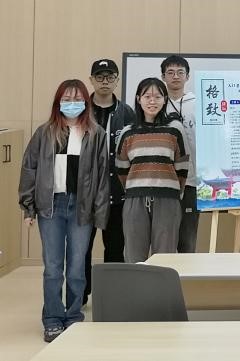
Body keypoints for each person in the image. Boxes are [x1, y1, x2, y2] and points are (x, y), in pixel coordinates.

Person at [18, 80, 109, 343]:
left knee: (77, 267)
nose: (72, 103)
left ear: (86, 102)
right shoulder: (45, 132)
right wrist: (28, 207)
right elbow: (29, 168)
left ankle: (74, 316)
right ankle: (52, 318)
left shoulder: (96, 133)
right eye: (67, 99)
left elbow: (102, 175)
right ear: (58, 102)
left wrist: (100, 212)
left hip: (82, 206)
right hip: (51, 206)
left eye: (77, 98)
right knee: (53, 267)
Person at [116, 78, 188, 263]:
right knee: (134, 256)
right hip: (135, 200)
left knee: (165, 258)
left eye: (157, 97)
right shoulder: (128, 132)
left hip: (168, 199)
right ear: (138, 99)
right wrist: (138, 186)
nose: (152, 101)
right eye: (147, 96)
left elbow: (182, 167)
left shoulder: (175, 129)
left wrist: (169, 190)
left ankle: (163, 285)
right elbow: (121, 169)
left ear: (165, 100)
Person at [82, 59, 136, 305]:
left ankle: (112, 299)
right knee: (81, 248)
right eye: (99, 77)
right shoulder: (80, 111)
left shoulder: (127, 112)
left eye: (110, 77)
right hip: (85, 194)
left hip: (117, 192)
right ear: (91, 80)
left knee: (115, 247)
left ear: (117, 80)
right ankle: (80, 295)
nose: (105, 81)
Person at [160, 55, 199, 254]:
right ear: (163, 77)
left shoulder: (199, 104)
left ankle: (187, 274)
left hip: (191, 181)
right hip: (163, 181)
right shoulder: (157, 104)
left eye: (180, 72)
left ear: (187, 76)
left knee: (187, 239)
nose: (175, 76)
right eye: (170, 72)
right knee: (163, 239)